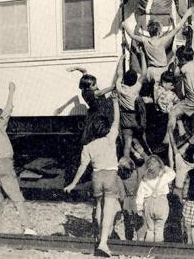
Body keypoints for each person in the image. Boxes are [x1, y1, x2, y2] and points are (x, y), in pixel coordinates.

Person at [64, 93, 121, 257]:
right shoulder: (110, 138)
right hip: (110, 175)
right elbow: (116, 121)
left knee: (99, 207)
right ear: (105, 128)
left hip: (96, 177)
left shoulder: (87, 147)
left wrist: (73, 184)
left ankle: (98, 235)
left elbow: (82, 167)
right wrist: (116, 103)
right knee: (109, 210)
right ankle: (103, 243)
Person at [0, 82, 37, 235]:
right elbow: (8, 109)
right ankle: (27, 227)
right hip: (5, 166)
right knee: (17, 198)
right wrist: (11, 91)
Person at [118, 0, 187, 72]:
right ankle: (141, 80)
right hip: (145, 27)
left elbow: (182, 5)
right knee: (138, 55)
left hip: (164, 29)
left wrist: (187, 19)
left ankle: (162, 79)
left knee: (164, 57)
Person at [122, 7, 194, 83]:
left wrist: (124, 25)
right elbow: (177, 29)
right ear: (159, 32)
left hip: (150, 71)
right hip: (160, 71)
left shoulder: (145, 40)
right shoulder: (162, 41)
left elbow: (132, 35)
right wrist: (186, 15)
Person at [65, 66, 115, 145]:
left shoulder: (84, 89)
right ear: (88, 87)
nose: (96, 85)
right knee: (101, 132)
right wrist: (118, 83)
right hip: (101, 113)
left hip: (93, 112)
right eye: (94, 84)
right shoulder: (94, 93)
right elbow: (110, 88)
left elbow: (84, 71)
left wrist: (75, 68)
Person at [115, 50, 149, 158]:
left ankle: (127, 163)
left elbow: (119, 73)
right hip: (136, 118)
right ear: (135, 80)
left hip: (125, 118)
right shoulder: (136, 88)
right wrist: (143, 55)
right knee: (141, 140)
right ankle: (146, 158)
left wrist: (121, 60)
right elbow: (144, 73)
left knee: (127, 144)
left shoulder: (120, 88)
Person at [168, 46, 194, 141]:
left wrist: (177, 64)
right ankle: (182, 132)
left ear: (182, 59)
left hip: (193, 99)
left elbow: (175, 74)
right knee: (176, 107)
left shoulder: (185, 68)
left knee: (172, 112)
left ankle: (169, 139)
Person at [135, 155, 176, 242]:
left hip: (148, 205)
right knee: (159, 227)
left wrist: (139, 208)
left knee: (150, 228)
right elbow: (173, 174)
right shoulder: (164, 177)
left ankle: (148, 249)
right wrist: (165, 167)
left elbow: (140, 194)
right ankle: (158, 247)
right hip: (161, 203)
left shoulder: (145, 179)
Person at [117, 156, 147, 241]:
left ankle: (129, 242)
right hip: (138, 200)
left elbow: (122, 195)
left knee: (128, 225)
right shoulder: (138, 172)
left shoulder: (119, 178)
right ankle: (140, 241)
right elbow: (148, 161)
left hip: (127, 203)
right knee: (140, 225)